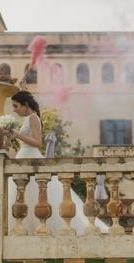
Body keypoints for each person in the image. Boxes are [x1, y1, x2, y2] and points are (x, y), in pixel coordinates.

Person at [7, 90, 107, 235]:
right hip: (24, 156)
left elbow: (38, 142)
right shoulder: (28, 118)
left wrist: (17, 135)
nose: (14, 110)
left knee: (34, 194)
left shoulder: (33, 118)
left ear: (25, 104)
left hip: (31, 158)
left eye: (16, 106)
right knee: (24, 195)